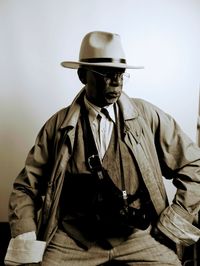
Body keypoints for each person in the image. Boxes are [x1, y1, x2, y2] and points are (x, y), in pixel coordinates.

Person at [4, 31, 200, 266]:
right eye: (106, 74)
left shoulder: (147, 117)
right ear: (82, 76)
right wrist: (26, 236)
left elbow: (193, 165)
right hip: (73, 239)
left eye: (121, 75)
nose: (116, 83)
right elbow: (26, 187)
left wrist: (174, 221)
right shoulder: (57, 127)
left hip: (137, 235)